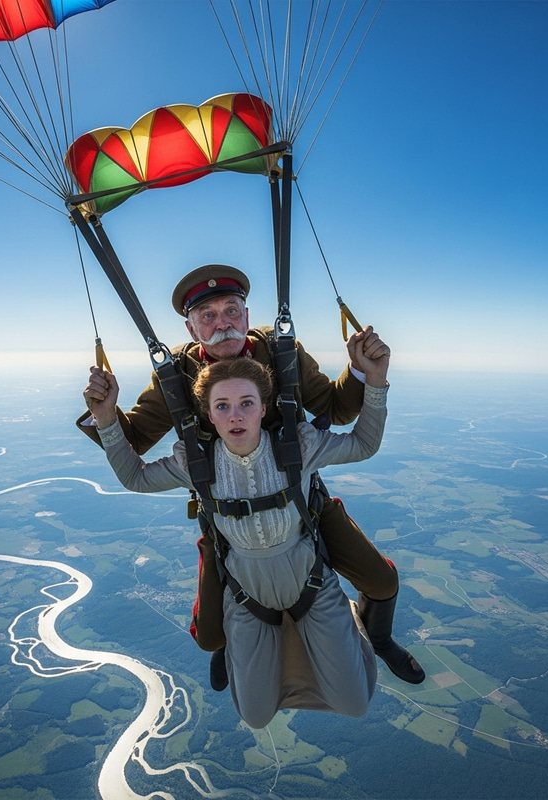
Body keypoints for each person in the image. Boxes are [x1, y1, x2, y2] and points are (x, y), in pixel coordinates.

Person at [80, 265, 424, 689]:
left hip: (299, 501)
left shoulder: (281, 352)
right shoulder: (175, 375)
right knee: (209, 635)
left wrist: (362, 372)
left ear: (246, 314)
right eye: (207, 315)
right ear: (190, 327)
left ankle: (381, 639)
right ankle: (230, 640)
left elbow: (333, 408)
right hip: (225, 515)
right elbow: (134, 441)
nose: (222, 323)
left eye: (230, 310)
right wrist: (105, 413)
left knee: (382, 579)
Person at [91, 343, 390, 728]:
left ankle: (349, 624)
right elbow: (135, 477)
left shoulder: (299, 444)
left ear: (264, 409)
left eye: (247, 403)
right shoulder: (195, 462)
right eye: (222, 407)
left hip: (310, 581)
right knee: (256, 716)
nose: (235, 416)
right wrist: (106, 419)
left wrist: (376, 380)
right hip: (246, 594)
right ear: (209, 417)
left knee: (355, 703)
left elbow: (364, 444)